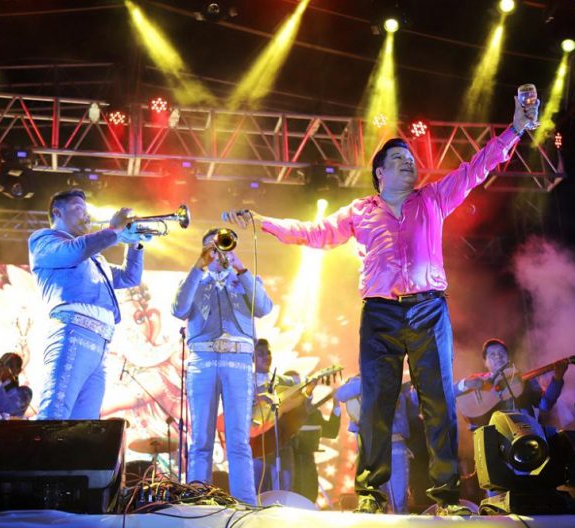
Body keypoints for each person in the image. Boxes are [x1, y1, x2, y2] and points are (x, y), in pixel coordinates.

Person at [223, 93, 538, 515]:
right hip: (381, 312)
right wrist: (263, 223)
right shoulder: (360, 211)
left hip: (428, 309)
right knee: (376, 404)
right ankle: (371, 495)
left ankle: (446, 497)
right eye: (399, 159)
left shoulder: (433, 198)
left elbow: (475, 168)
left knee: (438, 402)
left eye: (411, 159)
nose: (410, 163)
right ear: (380, 172)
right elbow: (314, 232)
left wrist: (515, 129)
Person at [171, 228, 273, 505]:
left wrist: (240, 268)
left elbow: (263, 308)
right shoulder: (194, 280)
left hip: (237, 362)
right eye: (211, 248)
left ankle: (245, 503)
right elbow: (179, 309)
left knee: (238, 440)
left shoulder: (246, 278)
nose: (218, 253)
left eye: (222, 247)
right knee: (200, 439)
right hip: (202, 361)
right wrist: (198, 266)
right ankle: (196, 499)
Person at [29, 189, 147, 420]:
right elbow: (75, 250)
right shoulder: (44, 240)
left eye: (86, 209)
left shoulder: (96, 259)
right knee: (55, 414)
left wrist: (135, 244)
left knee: (86, 424)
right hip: (73, 333)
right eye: (78, 208)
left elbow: (129, 277)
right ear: (57, 213)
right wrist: (113, 230)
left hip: (101, 343)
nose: (86, 215)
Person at [336, 375, 426, 514]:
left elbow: (412, 411)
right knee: (375, 499)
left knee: (400, 499)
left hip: (396, 445)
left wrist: (417, 394)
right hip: (372, 447)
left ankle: (401, 520)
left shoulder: (397, 385)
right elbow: (341, 394)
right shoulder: (359, 380)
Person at [454, 338, 568, 431]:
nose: (498, 356)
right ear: (485, 362)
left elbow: (545, 405)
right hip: (493, 440)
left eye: (501, 353)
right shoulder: (479, 380)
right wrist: (465, 383)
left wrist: (557, 380)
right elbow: (450, 391)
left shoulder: (524, 379)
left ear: (508, 357)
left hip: (526, 432)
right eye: (492, 354)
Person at [284, 369, 342, 504]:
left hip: (308, 468)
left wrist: (336, 405)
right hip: (286, 467)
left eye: (300, 386)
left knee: (309, 498)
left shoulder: (312, 413)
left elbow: (331, 432)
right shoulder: (278, 412)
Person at [252, 339, 295, 494]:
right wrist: (257, 397)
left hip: (282, 445)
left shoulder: (286, 381)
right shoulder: (245, 383)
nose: (266, 357)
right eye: (261, 354)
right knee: (258, 493)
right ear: (252, 358)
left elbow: (297, 410)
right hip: (258, 447)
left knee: (284, 492)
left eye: (268, 353)